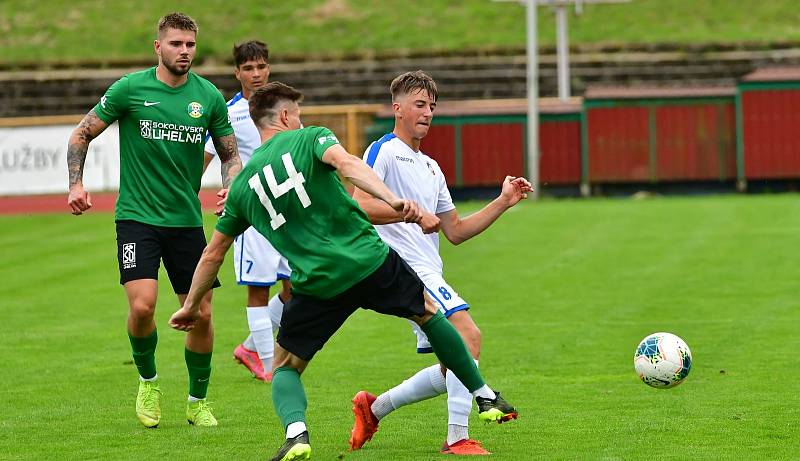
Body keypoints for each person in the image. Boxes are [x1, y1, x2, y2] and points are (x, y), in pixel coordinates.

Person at [168, 82, 521, 461]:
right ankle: (483, 394)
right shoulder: (311, 138)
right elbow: (350, 165)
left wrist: (190, 305)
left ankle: (296, 434)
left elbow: (213, 253)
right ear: (286, 116)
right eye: (297, 114)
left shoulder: (240, 189)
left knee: (285, 367)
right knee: (429, 314)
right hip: (367, 259)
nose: (301, 120)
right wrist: (394, 200)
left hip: (317, 283)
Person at [66, 12, 242, 429]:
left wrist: (231, 184)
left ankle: (197, 401)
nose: (184, 51)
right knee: (143, 306)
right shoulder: (130, 88)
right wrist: (76, 183)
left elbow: (230, 155)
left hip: (185, 222)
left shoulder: (209, 97)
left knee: (200, 314)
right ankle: (148, 381)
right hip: (136, 218)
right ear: (158, 47)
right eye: (176, 44)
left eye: (191, 45)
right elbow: (81, 133)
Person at [349, 70, 531, 455]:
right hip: (404, 268)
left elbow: (456, 231)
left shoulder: (432, 167)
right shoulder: (383, 150)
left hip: (428, 270)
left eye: (432, 106)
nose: (428, 113)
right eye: (419, 105)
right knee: (469, 337)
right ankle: (457, 437)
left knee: (454, 364)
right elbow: (359, 206)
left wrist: (503, 202)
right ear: (397, 109)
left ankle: (374, 408)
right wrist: (407, 214)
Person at [203, 40, 290, 383]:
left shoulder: (281, 108)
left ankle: (252, 347)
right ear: (237, 72)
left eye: (261, 66)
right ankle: (269, 365)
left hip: (285, 210)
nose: (256, 74)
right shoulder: (228, 114)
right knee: (259, 287)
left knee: (297, 286)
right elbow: (209, 158)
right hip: (251, 211)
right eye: (249, 68)